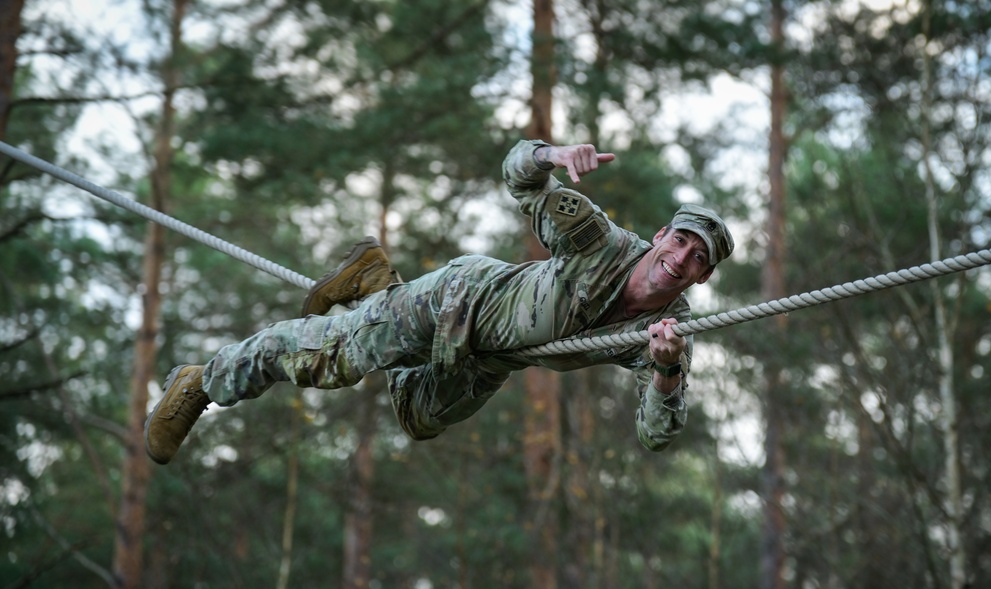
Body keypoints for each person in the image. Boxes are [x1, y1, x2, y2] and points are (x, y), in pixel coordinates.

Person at [144, 140, 734, 464]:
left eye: (697, 259)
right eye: (679, 242)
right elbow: (518, 174)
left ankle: (375, 282)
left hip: (492, 359)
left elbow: (657, 435)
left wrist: (663, 374)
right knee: (334, 359)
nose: (680, 259)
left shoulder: (666, 335)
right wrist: (550, 156)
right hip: (460, 302)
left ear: (702, 278)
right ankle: (203, 381)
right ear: (661, 237)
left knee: (419, 417)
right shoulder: (596, 240)